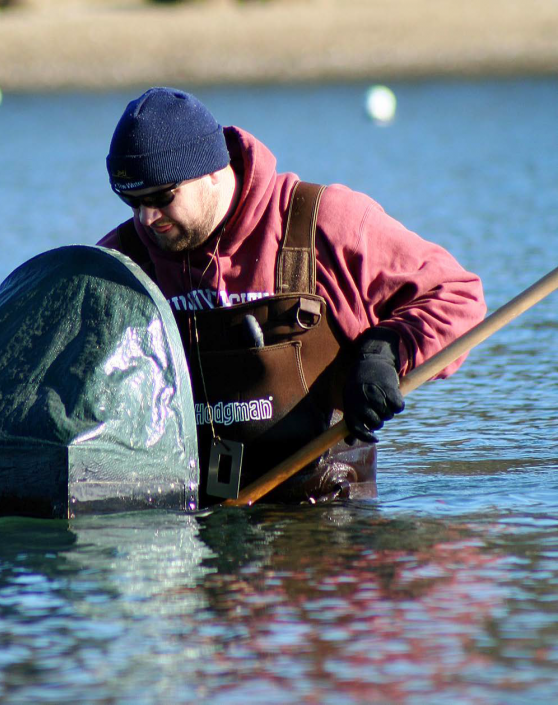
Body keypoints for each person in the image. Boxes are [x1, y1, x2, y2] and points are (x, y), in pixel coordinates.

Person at [98, 87, 486, 506]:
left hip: (330, 524)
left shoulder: (326, 221)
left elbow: (456, 294)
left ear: (212, 170)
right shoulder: (122, 261)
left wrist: (386, 353)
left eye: (161, 197)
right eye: (131, 201)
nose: (146, 217)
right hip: (198, 523)